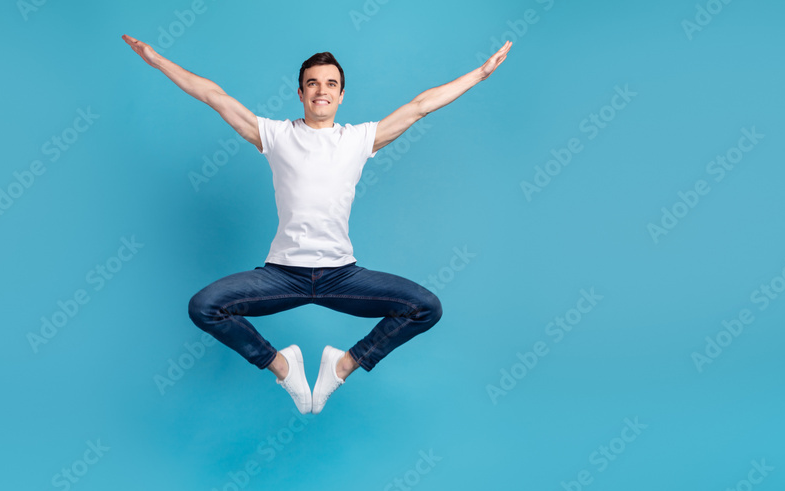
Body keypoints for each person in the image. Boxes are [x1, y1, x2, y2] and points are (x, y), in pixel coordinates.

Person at [122, 34, 512, 414]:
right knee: (204, 307)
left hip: (341, 276)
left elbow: (419, 105)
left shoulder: (358, 139)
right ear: (300, 93)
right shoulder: (275, 136)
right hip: (282, 276)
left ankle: (340, 366)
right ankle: (282, 366)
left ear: (341, 95)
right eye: (312, 83)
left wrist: (479, 74)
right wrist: (158, 61)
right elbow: (215, 96)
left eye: (330, 84)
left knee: (425, 307)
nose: (320, 90)